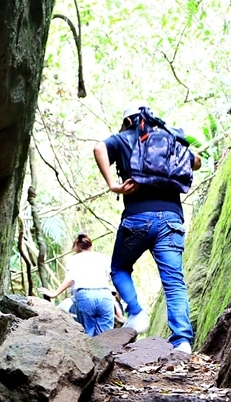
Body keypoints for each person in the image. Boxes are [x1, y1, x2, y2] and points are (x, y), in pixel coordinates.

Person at [93, 104, 201, 354]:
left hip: (137, 218)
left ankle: (137, 312)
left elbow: (99, 147)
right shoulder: (170, 138)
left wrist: (113, 185)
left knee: (119, 268)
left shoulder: (125, 138)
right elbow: (196, 162)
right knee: (174, 281)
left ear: (128, 121)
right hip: (171, 219)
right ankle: (182, 341)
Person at [40, 233, 115, 336]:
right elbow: (114, 275)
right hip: (105, 295)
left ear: (76, 246)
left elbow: (70, 279)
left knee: (88, 333)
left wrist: (54, 294)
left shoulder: (74, 259)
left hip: (85, 295)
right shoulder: (103, 257)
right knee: (106, 335)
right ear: (90, 246)